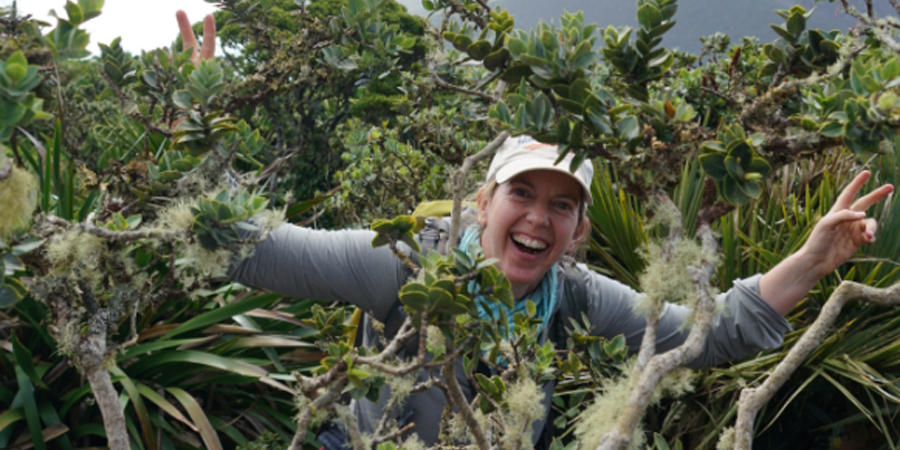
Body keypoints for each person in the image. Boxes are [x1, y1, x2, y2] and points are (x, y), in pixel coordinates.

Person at [177, 12, 895, 448]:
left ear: (579, 229)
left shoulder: (575, 297)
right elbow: (252, 249)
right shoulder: (400, 265)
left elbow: (713, 334)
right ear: (483, 202)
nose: (538, 218)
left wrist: (812, 259)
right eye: (522, 193)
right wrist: (199, 124)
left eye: (562, 205)